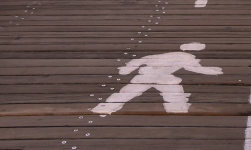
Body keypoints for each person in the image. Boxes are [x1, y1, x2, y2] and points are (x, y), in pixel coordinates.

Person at [92, 43, 222, 114]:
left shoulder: (168, 54)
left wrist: (128, 69)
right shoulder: (187, 57)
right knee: (174, 93)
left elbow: (141, 59)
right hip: (162, 77)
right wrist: (214, 71)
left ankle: (104, 107)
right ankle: (177, 110)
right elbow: (194, 68)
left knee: (127, 92)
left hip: (145, 74)